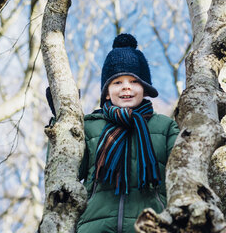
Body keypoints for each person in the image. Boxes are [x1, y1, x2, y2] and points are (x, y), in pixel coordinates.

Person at [74, 33, 180, 233]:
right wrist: (62, 123)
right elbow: (66, 168)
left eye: (134, 81)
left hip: (150, 226)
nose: (126, 87)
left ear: (145, 88)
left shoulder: (165, 127)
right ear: (106, 92)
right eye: (117, 82)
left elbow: (182, 173)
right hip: (94, 227)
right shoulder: (89, 127)